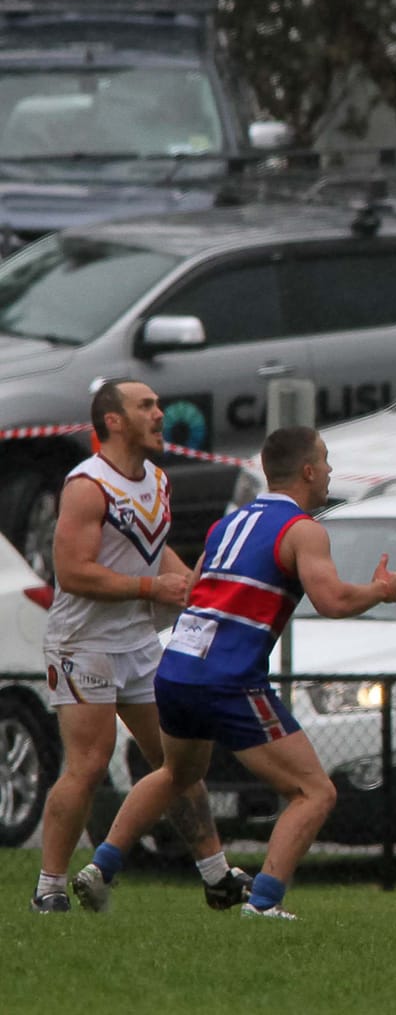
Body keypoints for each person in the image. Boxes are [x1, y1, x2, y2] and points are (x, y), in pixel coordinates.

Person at [73, 426, 396, 920]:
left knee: (176, 773)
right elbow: (333, 600)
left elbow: (194, 591)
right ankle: (264, 903)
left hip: (177, 670)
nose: (330, 471)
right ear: (307, 470)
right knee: (313, 791)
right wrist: (379, 591)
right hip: (228, 679)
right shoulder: (303, 529)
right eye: (325, 460)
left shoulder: (227, 524)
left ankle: (101, 868)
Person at [33, 378, 249, 914]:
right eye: (146, 406)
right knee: (88, 763)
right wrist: (153, 589)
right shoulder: (87, 485)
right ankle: (49, 889)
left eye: (156, 404)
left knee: (178, 762)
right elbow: (74, 572)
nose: (159, 413)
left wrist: (201, 593)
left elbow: (151, 551)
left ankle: (217, 876)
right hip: (82, 643)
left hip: (138, 642)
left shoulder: (156, 480)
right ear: (113, 421)